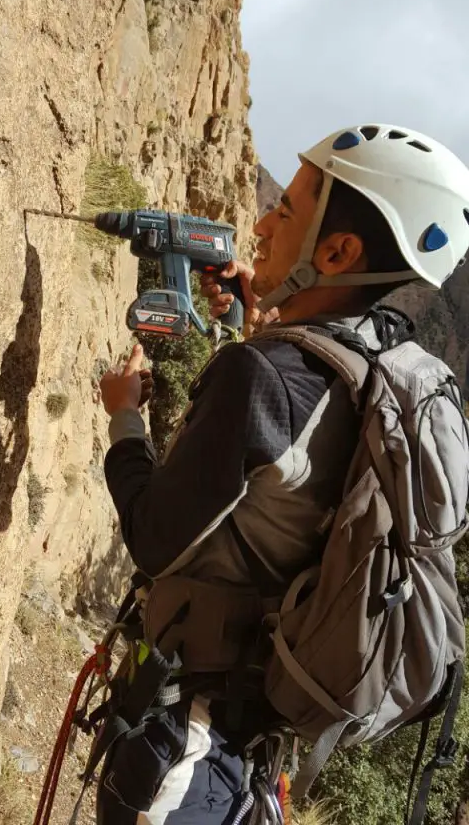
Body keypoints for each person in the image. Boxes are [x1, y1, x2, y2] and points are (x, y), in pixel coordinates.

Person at [97, 124, 469, 824]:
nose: (261, 222)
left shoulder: (262, 377)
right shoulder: (374, 369)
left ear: (337, 251)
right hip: (252, 751)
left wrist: (125, 420)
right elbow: (296, 465)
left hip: (184, 749)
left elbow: (153, 537)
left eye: (287, 210)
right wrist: (257, 328)